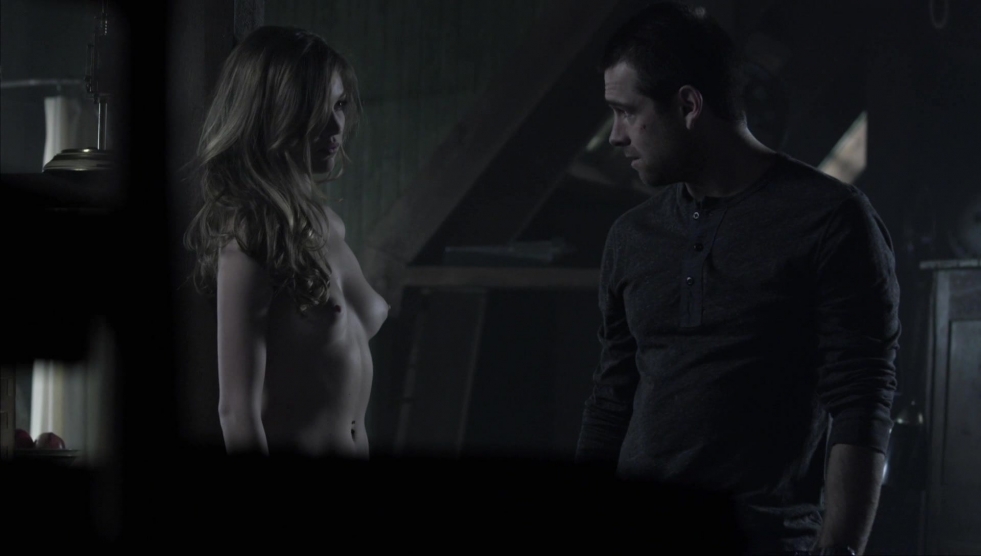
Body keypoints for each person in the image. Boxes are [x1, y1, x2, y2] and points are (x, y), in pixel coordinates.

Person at [575, 3, 899, 555]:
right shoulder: (632, 237)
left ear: (688, 105)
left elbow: (861, 400)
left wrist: (840, 548)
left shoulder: (830, 219)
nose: (615, 136)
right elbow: (611, 399)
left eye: (626, 112)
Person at [184, 26, 389, 458]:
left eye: (339, 105)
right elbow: (236, 414)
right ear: (272, 114)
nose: (335, 126)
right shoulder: (250, 240)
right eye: (313, 109)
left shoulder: (330, 225)